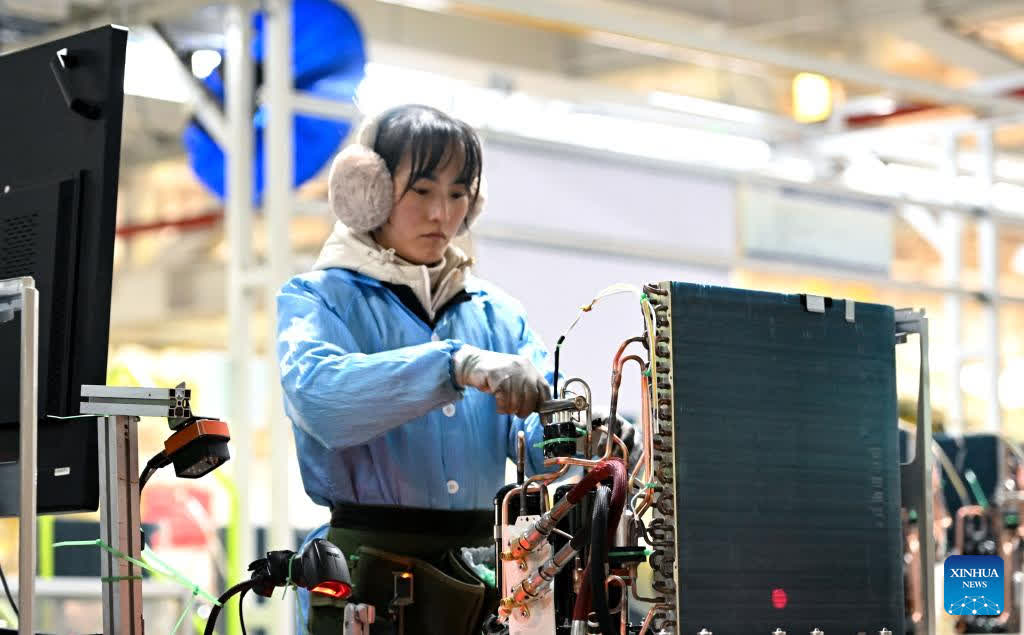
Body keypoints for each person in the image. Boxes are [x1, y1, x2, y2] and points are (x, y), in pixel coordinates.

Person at [276, 104, 558, 634]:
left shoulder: (498, 315)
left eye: (459, 193)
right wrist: (452, 365)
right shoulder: (320, 299)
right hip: (368, 576)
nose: (442, 214)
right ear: (370, 192)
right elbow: (322, 400)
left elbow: (541, 444)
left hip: (479, 578)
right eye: (423, 191)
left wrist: (583, 434)